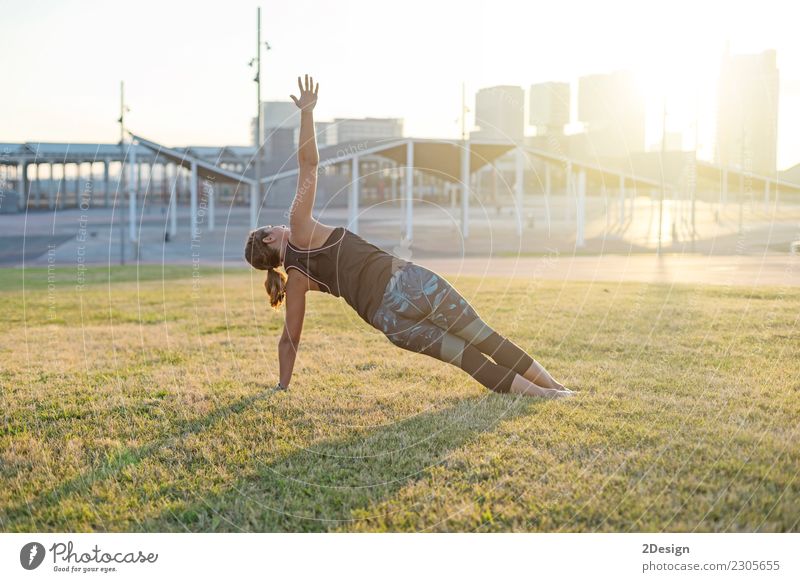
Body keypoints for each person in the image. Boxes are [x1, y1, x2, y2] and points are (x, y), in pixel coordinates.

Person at [244, 75, 574, 398]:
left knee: (468, 359)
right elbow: (309, 164)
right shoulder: (299, 228)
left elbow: (290, 340)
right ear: (270, 240)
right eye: (269, 229)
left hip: (388, 321)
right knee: (484, 338)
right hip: (407, 284)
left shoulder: (296, 280)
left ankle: (549, 395)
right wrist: (307, 112)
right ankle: (556, 388)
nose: (277, 227)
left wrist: (282, 386)